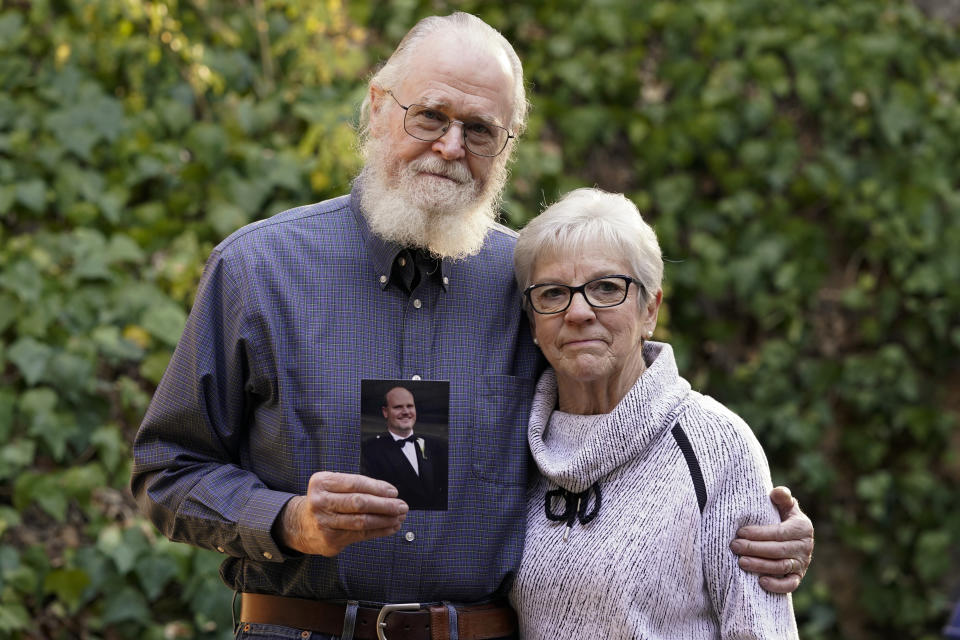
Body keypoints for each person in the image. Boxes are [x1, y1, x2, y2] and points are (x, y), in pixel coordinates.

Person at [130, 12, 813, 640]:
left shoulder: (532, 283)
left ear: (506, 145)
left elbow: (621, 422)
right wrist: (287, 521)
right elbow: (166, 471)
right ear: (377, 108)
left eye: (480, 129)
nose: (451, 147)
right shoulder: (259, 270)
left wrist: (746, 516)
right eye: (430, 116)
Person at [509, 188, 798, 638]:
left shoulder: (717, 446)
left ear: (650, 309)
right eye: (552, 293)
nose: (579, 312)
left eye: (607, 287)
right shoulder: (511, 443)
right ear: (532, 322)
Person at [361, 386, 448, 510]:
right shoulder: (369, 450)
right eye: (398, 407)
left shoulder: (438, 446)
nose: (406, 412)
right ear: (385, 412)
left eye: (410, 406)